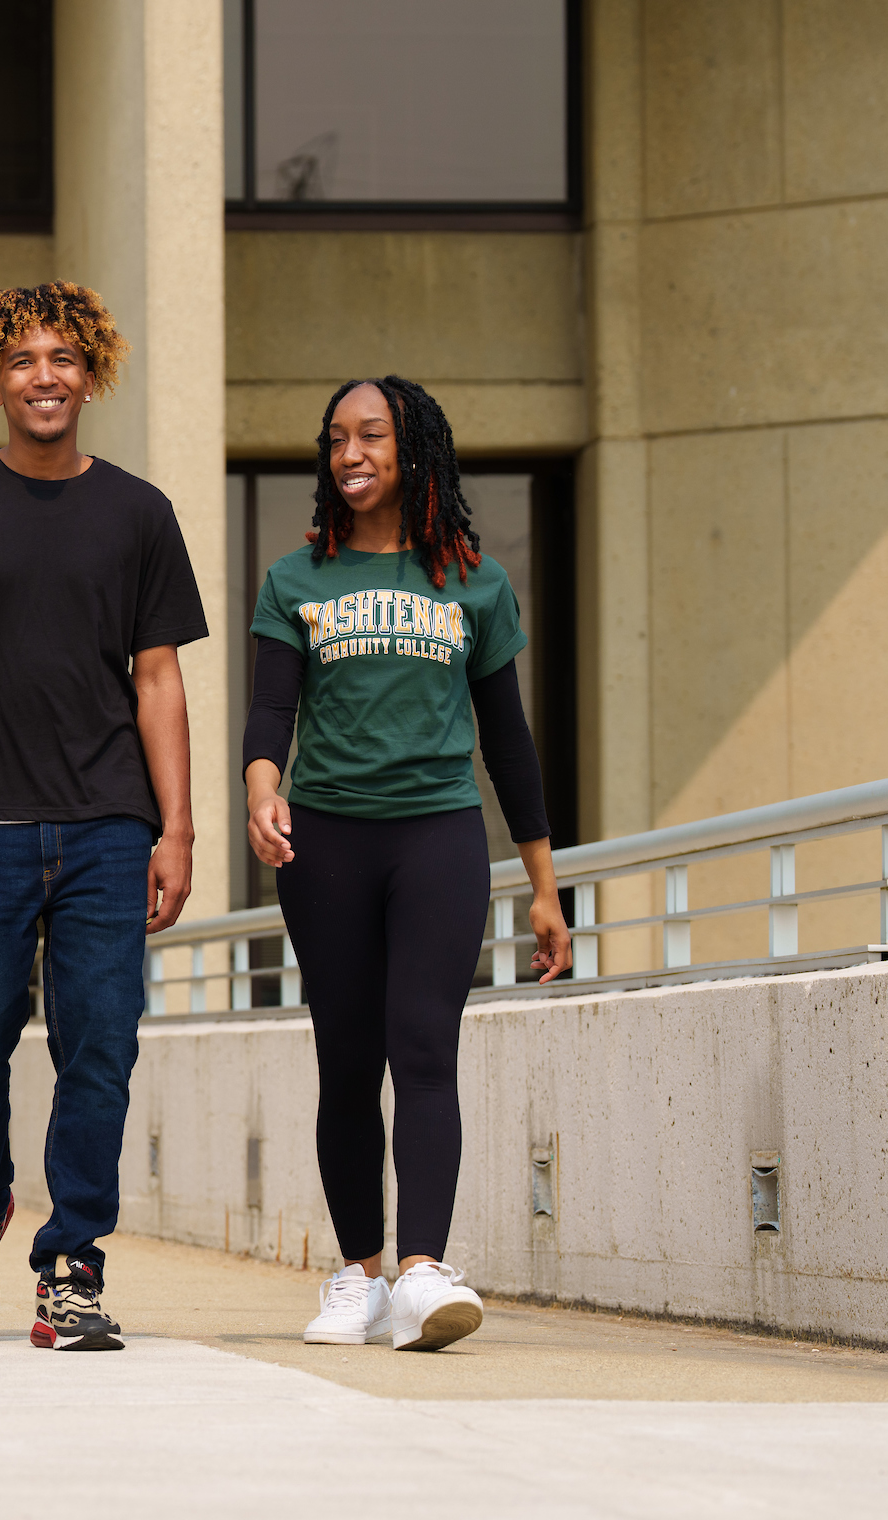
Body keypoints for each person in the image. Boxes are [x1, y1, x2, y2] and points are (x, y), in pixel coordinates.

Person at [0, 281, 209, 1351]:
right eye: (22, 360)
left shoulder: (140, 514)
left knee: (100, 1041)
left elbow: (158, 680)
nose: (45, 376)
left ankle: (72, 1267)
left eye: (64, 358)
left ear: (93, 371)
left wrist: (179, 828)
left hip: (109, 820)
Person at [244, 375, 572, 1352]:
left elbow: (508, 742)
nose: (351, 452)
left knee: (423, 1045)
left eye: (372, 435)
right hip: (327, 842)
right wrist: (264, 787)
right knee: (346, 1058)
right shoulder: (295, 578)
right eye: (337, 437)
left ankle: (423, 1272)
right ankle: (358, 1273)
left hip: (436, 838)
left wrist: (545, 887)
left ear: (413, 449)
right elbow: (270, 712)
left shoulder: (472, 579)